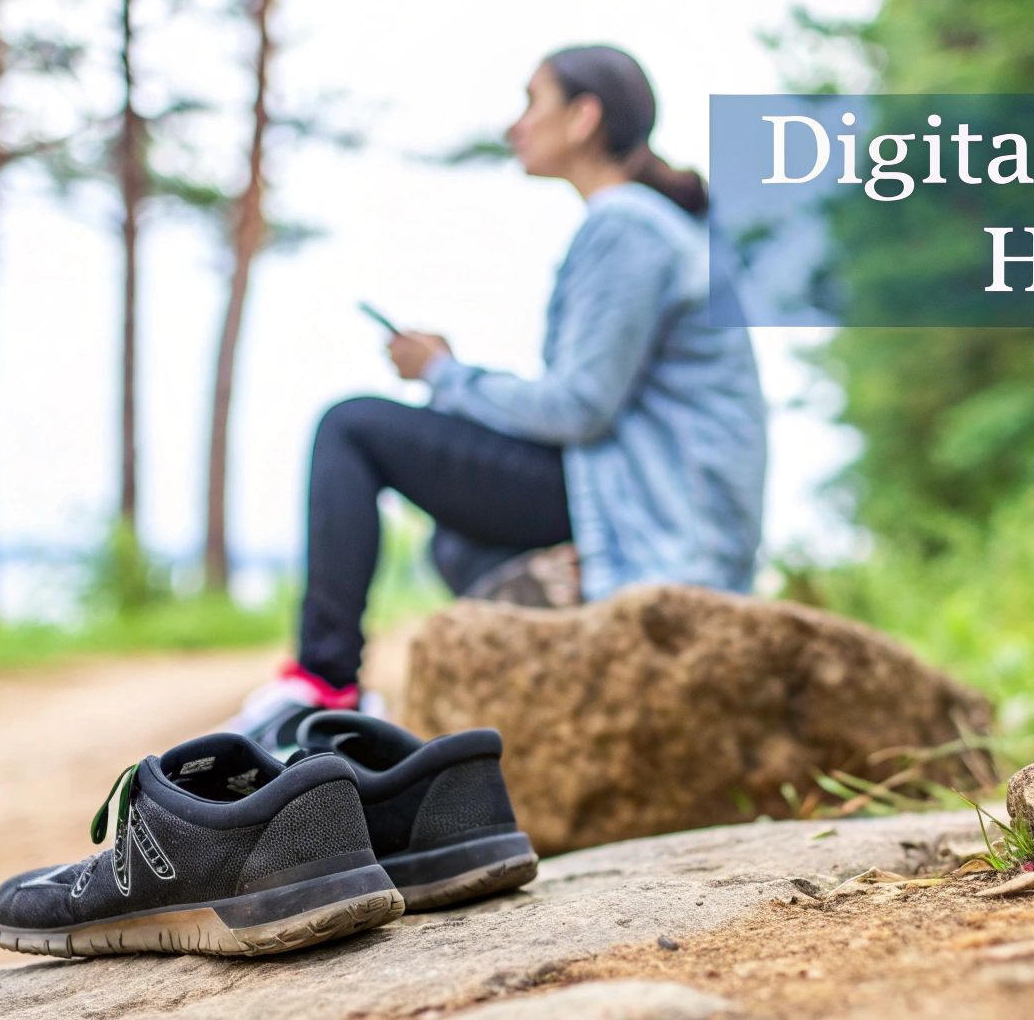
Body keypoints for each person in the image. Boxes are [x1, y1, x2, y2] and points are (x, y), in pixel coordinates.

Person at [226, 45, 768, 751]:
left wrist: (446, 376)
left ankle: (325, 683)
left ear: (583, 118)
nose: (515, 125)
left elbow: (578, 407)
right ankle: (553, 687)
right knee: (456, 545)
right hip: (649, 504)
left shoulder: (626, 225)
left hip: (656, 520)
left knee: (353, 426)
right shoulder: (654, 225)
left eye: (531, 102)